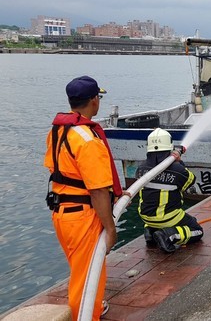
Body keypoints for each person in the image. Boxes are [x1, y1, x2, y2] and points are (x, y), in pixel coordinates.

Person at [44, 76, 123, 319]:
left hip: (61, 214)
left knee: (81, 272)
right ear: (93, 100)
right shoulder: (89, 140)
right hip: (82, 217)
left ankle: (93, 309)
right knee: (89, 278)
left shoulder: (58, 131)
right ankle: (86, 315)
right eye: (98, 97)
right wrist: (110, 228)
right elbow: (98, 190)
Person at [136, 128, 204, 253]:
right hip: (167, 218)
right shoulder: (178, 170)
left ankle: (150, 232)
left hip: (146, 217)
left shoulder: (140, 168)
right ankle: (167, 235)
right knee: (196, 229)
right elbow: (190, 180)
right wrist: (179, 162)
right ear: (169, 147)